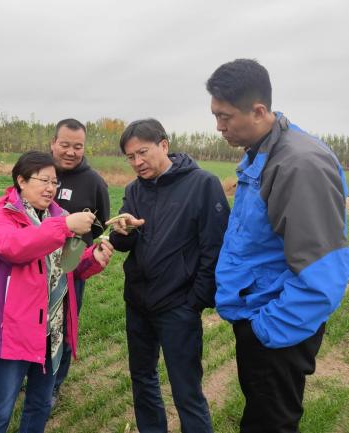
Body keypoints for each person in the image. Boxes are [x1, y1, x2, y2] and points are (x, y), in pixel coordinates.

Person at [207, 58, 349, 433]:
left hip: (278, 326)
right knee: (260, 416)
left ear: (258, 111)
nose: (218, 127)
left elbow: (323, 273)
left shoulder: (299, 165)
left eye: (224, 117)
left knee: (271, 424)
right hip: (261, 313)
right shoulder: (263, 151)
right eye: (215, 116)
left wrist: (264, 331)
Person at [0, 151, 114, 433]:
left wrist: (92, 258)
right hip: (14, 330)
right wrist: (64, 226)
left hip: (52, 330)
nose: (51, 188)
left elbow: (68, 266)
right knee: (0, 409)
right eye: (43, 180)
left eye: (54, 182)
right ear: (21, 181)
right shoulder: (3, 217)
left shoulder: (58, 216)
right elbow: (14, 247)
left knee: (40, 404)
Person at [108, 118, 230, 433]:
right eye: (130, 157)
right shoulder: (134, 189)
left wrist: (196, 300)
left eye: (142, 152)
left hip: (178, 305)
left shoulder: (203, 184)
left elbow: (215, 247)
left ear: (164, 145)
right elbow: (124, 243)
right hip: (138, 302)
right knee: (142, 379)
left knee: (186, 389)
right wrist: (122, 232)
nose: (137, 162)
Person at [49, 118, 110, 398]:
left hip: (70, 269)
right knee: (28, 324)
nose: (71, 152)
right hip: (33, 266)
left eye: (78, 146)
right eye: (65, 145)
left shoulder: (94, 182)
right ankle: (18, 378)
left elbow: (100, 225)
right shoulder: (40, 172)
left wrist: (82, 250)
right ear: (53, 143)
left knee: (64, 327)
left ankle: (54, 385)